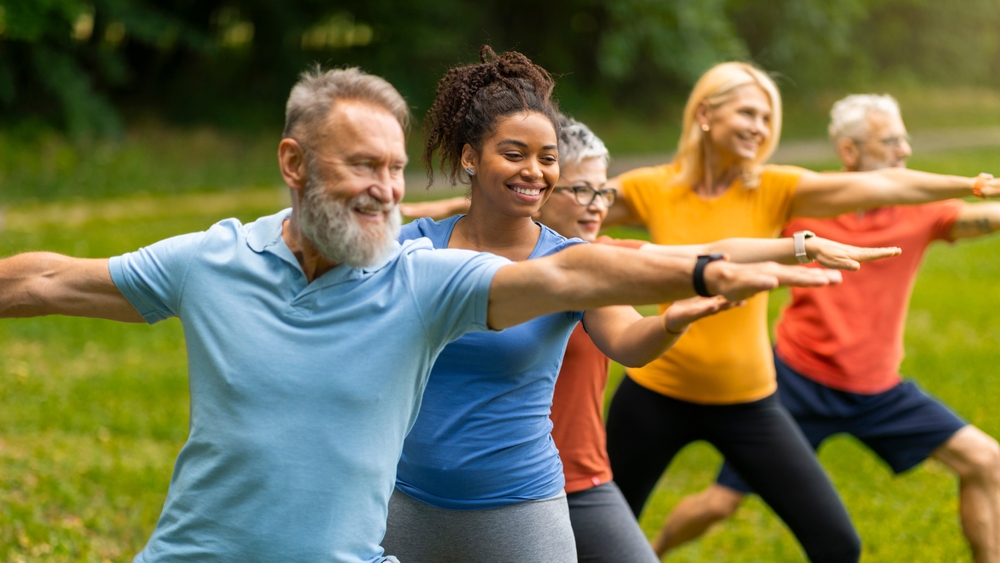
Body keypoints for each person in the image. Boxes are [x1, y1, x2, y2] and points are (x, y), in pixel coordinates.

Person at [0, 66, 844, 563]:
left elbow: (584, 270)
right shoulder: (213, 260)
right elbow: (45, 280)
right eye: (362, 164)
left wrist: (727, 261)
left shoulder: (422, 281)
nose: (386, 187)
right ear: (293, 162)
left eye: (396, 169)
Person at [384, 49, 898, 560]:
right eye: (514, 155)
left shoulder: (574, 260)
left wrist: (669, 323)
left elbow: (629, 339)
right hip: (406, 497)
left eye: (548, 158)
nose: (536, 173)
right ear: (470, 157)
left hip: (521, 501)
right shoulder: (413, 248)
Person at [599, 62, 1000, 563]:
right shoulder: (656, 188)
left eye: (768, 118)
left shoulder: (777, 188)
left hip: (768, 398)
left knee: (842, 540)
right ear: (705, 113)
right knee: (611, 531)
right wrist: (475, 206)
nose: (760, 127)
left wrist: (970, 183)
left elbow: (883, 188)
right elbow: (570, 211)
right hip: (684, 391)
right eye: (748, 112)